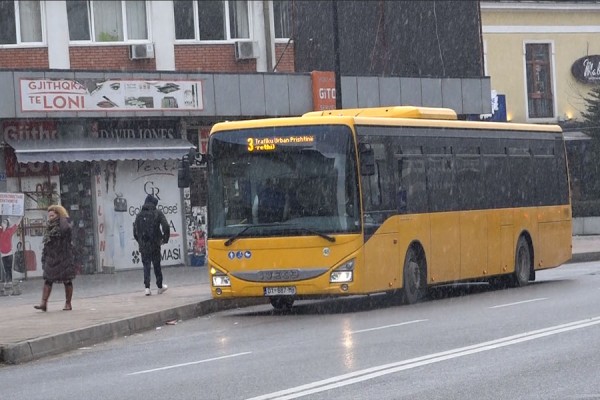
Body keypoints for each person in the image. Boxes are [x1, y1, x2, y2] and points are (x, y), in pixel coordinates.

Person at [34, 205, 76, 312]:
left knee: (67, 281)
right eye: (49, 216)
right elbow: (47, 244)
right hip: (52, 258)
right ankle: (44, 303)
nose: (50, 218)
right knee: (48, 280)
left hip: (64, 257)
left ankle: (68, 303)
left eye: (52, 215)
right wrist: (45, 257)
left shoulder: (64, 225)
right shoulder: (50, 227)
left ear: (59, 215)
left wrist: (62, 217)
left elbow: (65, 229)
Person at [133, 194, 170, 296]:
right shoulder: (157, 213)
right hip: (155, 243)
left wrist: (140, 241)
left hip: (144, 244)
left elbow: (135, 232)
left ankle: (147, 288)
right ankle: (159, 286)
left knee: (146, 265)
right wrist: (164, 239)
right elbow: (166, 226)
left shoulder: (139, 215)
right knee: (157, 265)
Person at [0, 217, 20, 285]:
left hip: (9, 253)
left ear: (7, 225)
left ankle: (10, 282)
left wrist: (21, 217)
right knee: (5, 269)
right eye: (2, 223)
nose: (3, 224)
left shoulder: (9, 231)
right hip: (3, 253)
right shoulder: (0, 231)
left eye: (5, 223)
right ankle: (7, 281)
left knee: (9, 269)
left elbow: (16, 225)